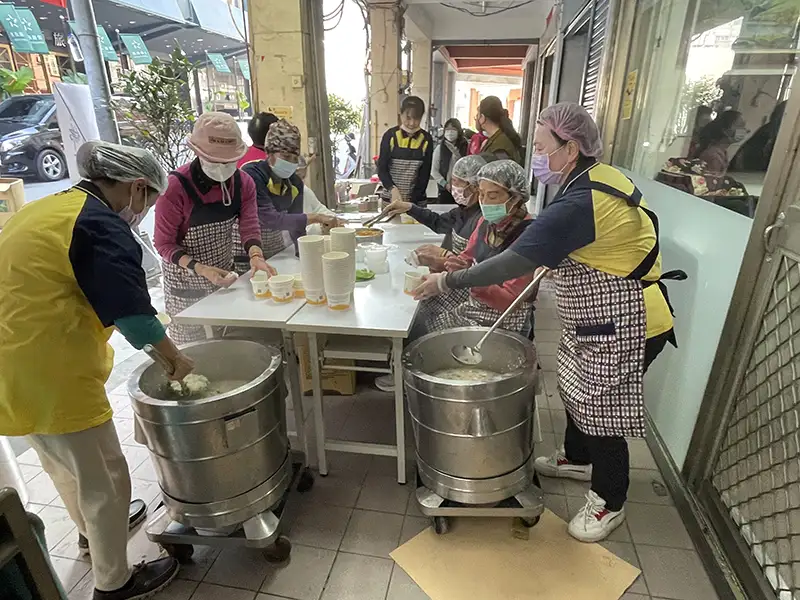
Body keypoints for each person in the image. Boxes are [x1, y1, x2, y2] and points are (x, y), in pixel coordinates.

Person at [414, 102, 685, 543]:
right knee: (575, 387)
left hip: (629, 319)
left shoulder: (582, 200)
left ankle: (609, 501)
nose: (536, 156)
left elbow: (509, 264)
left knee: (603, 412)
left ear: (570, 147)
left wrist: (447, 280)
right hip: (596, 318)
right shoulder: (593, 177)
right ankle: (576, 459)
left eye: (541, 147)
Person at [0, 141, 195, 600]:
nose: (144, 210)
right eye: (148, 199)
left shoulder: (52, 208)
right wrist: (176, 359)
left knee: (64, 467)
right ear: (135, 187)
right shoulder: (99, 224)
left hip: (12, 365)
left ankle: (92, 535)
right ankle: (115, 583)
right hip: (51, 370)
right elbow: (132, 315)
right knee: (107, 478)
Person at [155, 112, 275, 343]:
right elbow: (163, 244)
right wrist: (199, 268)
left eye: (228, 162)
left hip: (224, 282)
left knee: (228, 346)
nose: (222, 167)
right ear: (197, 153)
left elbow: (249, 225)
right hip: (185, 289)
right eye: (214, 161)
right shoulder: (174, 188)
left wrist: (256, 256)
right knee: (195, 357)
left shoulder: (243, 183)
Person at [234, 119, 342, 260]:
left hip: (274, 253)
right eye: (285, 156)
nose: (290, 163)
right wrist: (316, 217)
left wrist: (303, 254)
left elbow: (296, 228)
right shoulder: (252, 174)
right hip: (246, 255)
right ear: (269, 153)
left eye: (294, 158)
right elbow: (269, 219)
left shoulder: (294, 182)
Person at [377, 95, 434, 206]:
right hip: (390, 199)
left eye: (416, 118)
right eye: (408, 118)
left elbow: (424, 174)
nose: (412, 123)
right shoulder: (390, 136)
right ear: (401, 114)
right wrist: (392, 189)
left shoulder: (426, 139)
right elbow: (382, 169)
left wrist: (411, 201)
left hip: (416, 201)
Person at [689, 109, 747, 174]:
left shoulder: (722, 153)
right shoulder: (714, 156)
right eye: (740, 125)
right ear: (725, 130)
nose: (745, 129)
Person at [476, 96, 523, 164]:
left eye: (477, 115)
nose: (476, 119)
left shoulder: (500, 146)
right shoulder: (496, 138)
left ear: (482, 118)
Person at [432, 118, 468, 203]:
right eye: (448, 129)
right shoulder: (440, 149)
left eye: (453, 129)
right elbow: (434, 171)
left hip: (463, 190)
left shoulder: (466, 147)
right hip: (445, 190)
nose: (450, 132)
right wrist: (445, 184)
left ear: (458, 131)